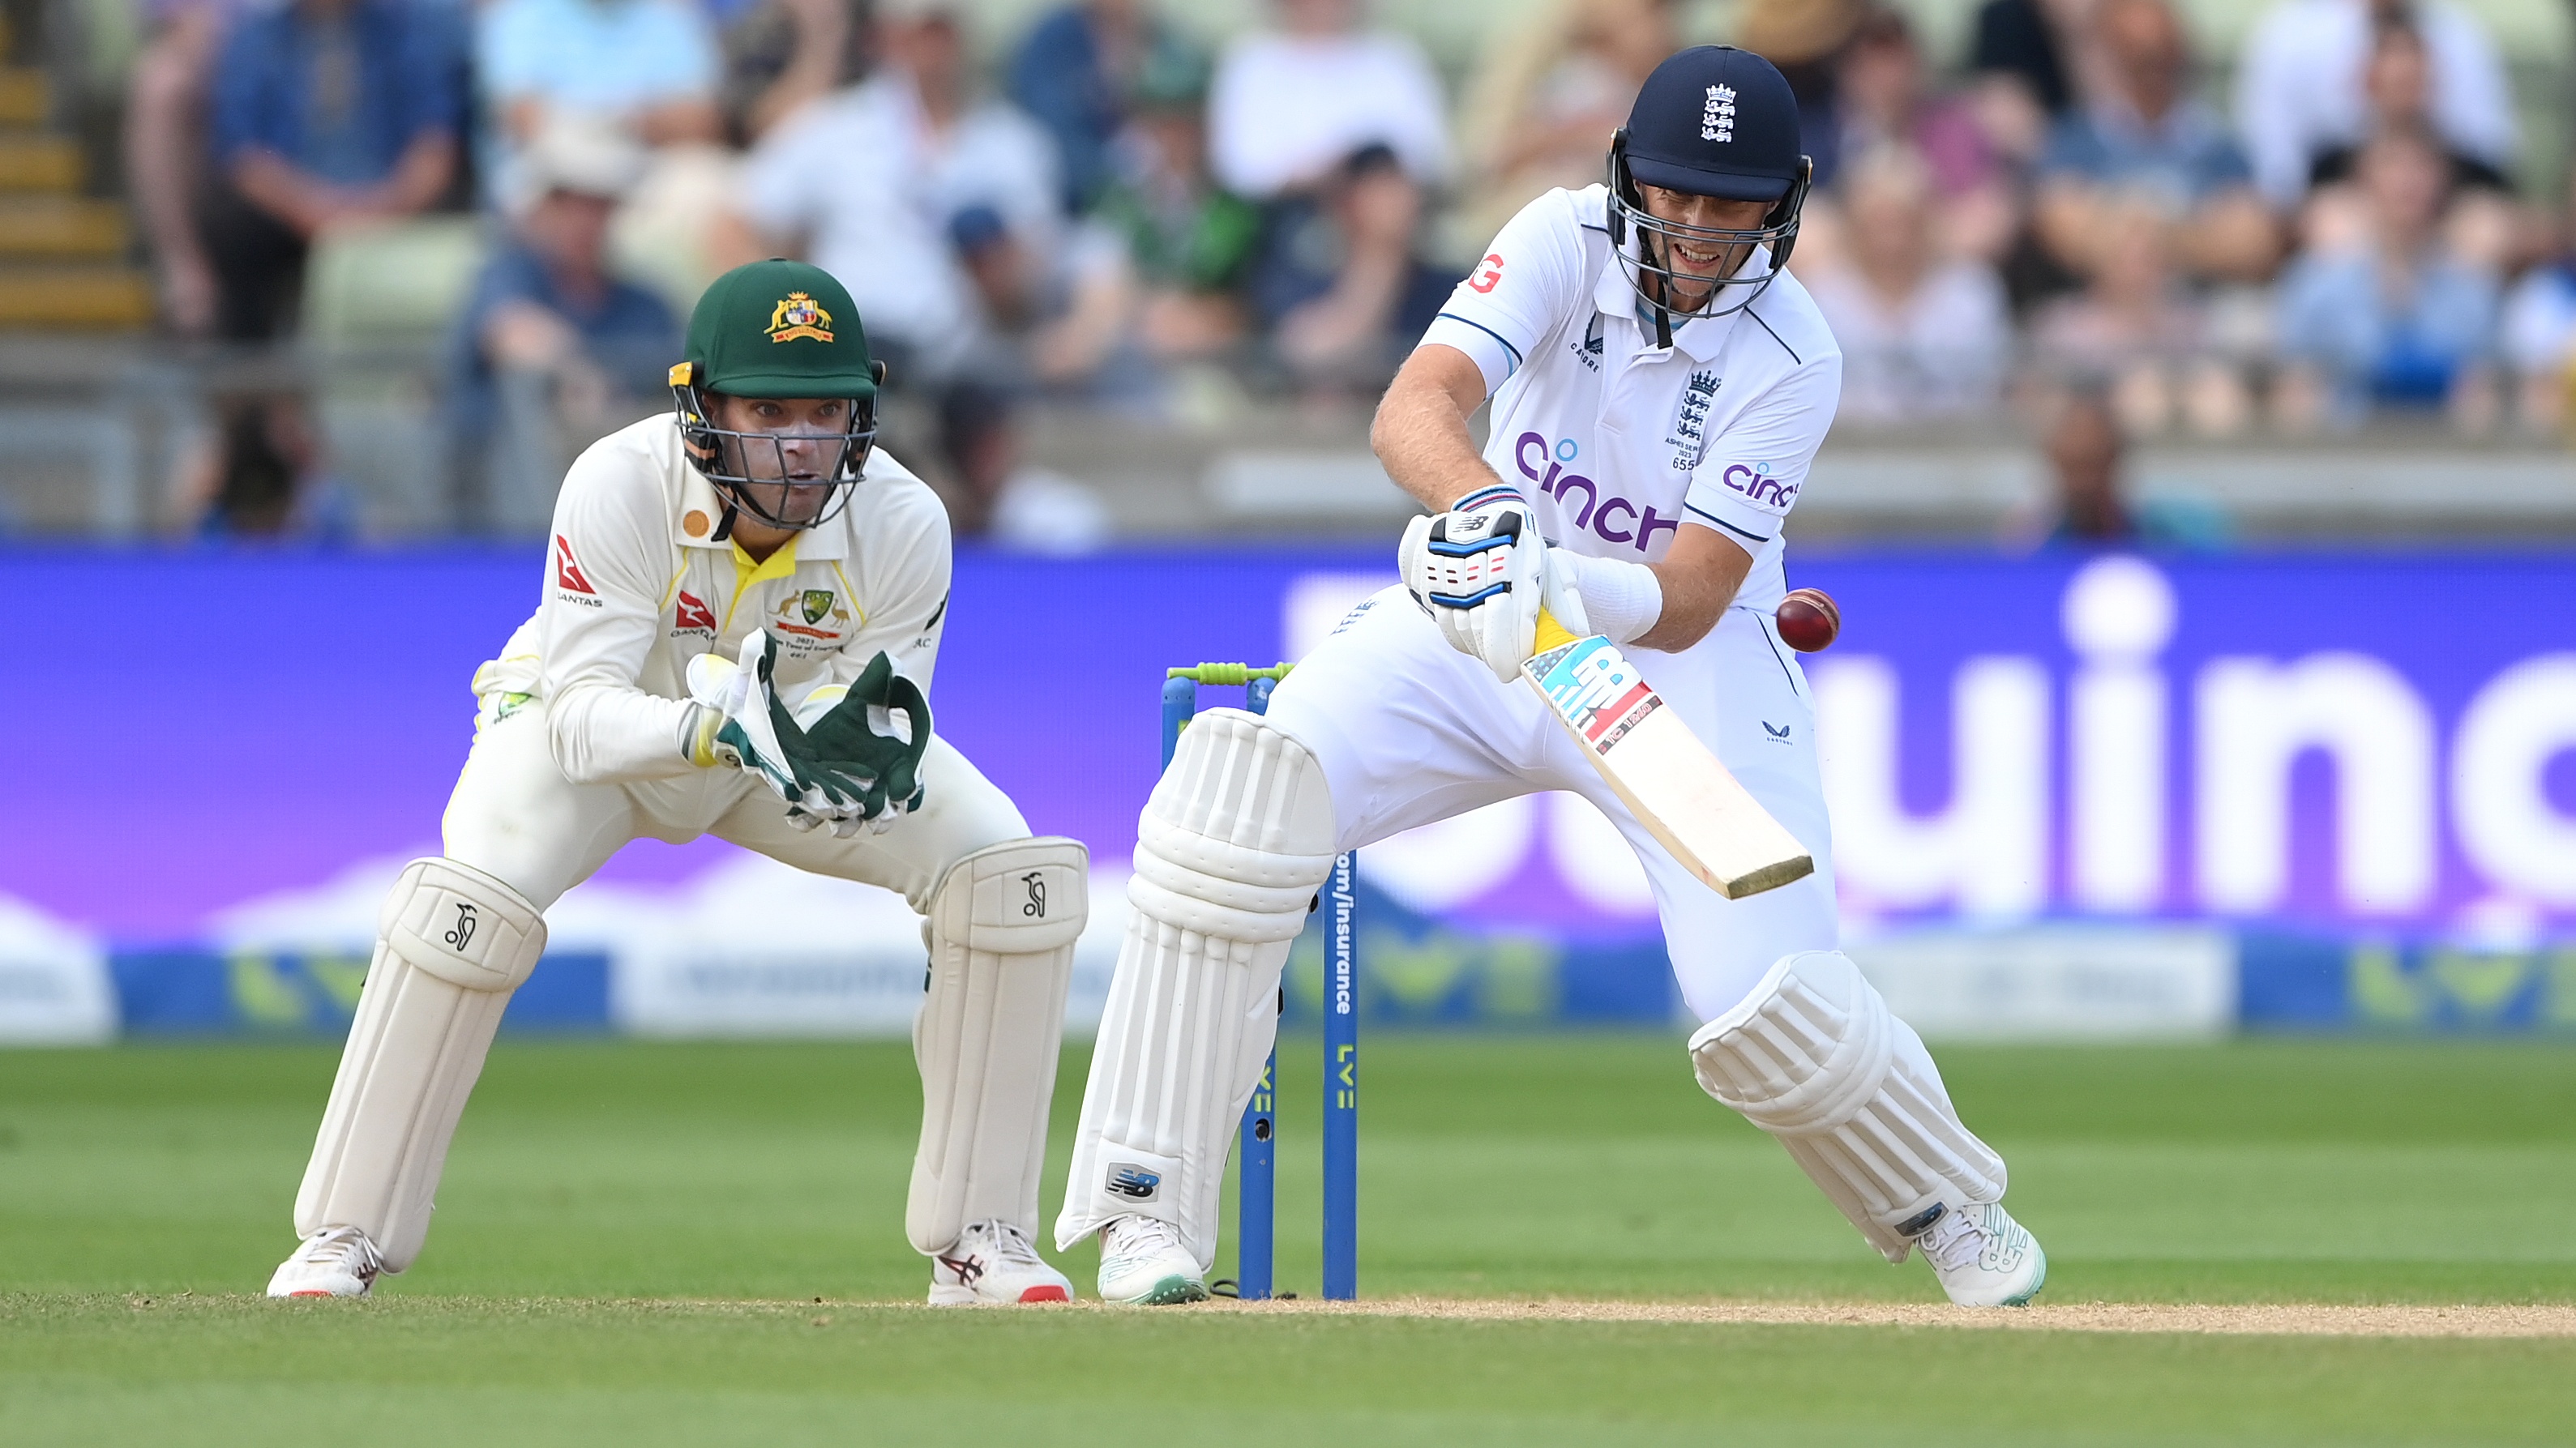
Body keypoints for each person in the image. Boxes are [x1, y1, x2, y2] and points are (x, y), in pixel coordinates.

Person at [1054, 47, 2048, 1310]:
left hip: (1673, 664)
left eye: (1727, 204)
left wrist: (1560, 582)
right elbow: (1415, 408)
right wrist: (1490, 525)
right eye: (1673, 194)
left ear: (1786, 202)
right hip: (1475, 622)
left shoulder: (1797, 352)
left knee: (1767, 1001)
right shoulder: (1557, 238)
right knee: (1234, 810)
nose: (1691, 229)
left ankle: (1950, 1203)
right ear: (1629, 174)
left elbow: (1688, 597)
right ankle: (1147, 1215)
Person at [263, 260, 1089, 1306]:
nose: (799, 444)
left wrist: (842, 763)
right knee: (466, 900)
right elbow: (576, 716)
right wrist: (709, 726)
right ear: (701, 409)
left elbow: (883, 718)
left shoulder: (904, 518)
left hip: (774, 748)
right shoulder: (620, 478)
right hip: (604, 740)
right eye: (766, 409)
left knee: (1007, 875)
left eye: (825, 410)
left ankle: (982, 1236)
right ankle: (345, 1232)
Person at [447, 117, 683, 534]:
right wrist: (578, 374)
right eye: (567, 201)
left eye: (598, 203)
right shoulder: (510, 273)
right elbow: (510, 332)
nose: (583, 219)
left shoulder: (647, 305)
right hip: (497, 518)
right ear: (541, 207)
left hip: (625, 523)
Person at [202, 0, 463, 340]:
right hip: (292, 215)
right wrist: (314, 211)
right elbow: (242, 154)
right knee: (231, 226)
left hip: (393, 207)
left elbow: (436, 142)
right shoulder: (256, 39)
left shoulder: (410, 30)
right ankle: (252, 380)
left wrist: (383, 207)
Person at [2030, 0, 2274, 284]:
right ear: (2110, 57)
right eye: (2138, 58)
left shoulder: (2219, 146)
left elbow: (2252, 242)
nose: (2153, 73)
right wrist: (2196, 235)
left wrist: (2140, 234)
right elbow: (2059, 228)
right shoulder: (2072, 141)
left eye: (2162, 56)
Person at [2274, 126, 2500, 428]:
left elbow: (2483, 401)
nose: (2408, 180)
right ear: (2361, 180)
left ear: (2444, 181)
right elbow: (2293, 395)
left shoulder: (2475, 291)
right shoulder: (2315, 285)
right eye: (2392, 163)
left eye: (2422, 165)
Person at [2236, 0, 2515, 210]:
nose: (2403, 81)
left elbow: (2496, 170)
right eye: (2393, 73)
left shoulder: (2462, 34)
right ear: (2365, 80)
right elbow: (2279, 183)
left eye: (2412, 74)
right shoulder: (2331, 168)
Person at [1803, 145, 2012, 424]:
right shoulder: (1821, 295)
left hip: (1957, 448)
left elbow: (1994, 386)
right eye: (1877, 222)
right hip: (1845, 449)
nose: (1891, 239)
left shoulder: (1970, 291)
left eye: (1902, 221)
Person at [1453, 0, 1677, 245]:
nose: (1658, 29)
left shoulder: (1670, 80)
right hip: (1520, 223)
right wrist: (1579, 133)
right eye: (1649, 12)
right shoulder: (1549, 58)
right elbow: (1487, 155)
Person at [1206, 0, 1449, 201]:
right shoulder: (1251, 64)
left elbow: (1429, 159)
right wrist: (1328, 174)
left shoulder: (1395, 61)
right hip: (1280, 226)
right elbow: (1241, 169)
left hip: (1385, 219)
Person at [1008, 0, 1196, 213]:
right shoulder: (1051, 45)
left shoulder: (1165, 40)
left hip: (1159, 196)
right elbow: (1057, 141)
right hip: (1074, 205)